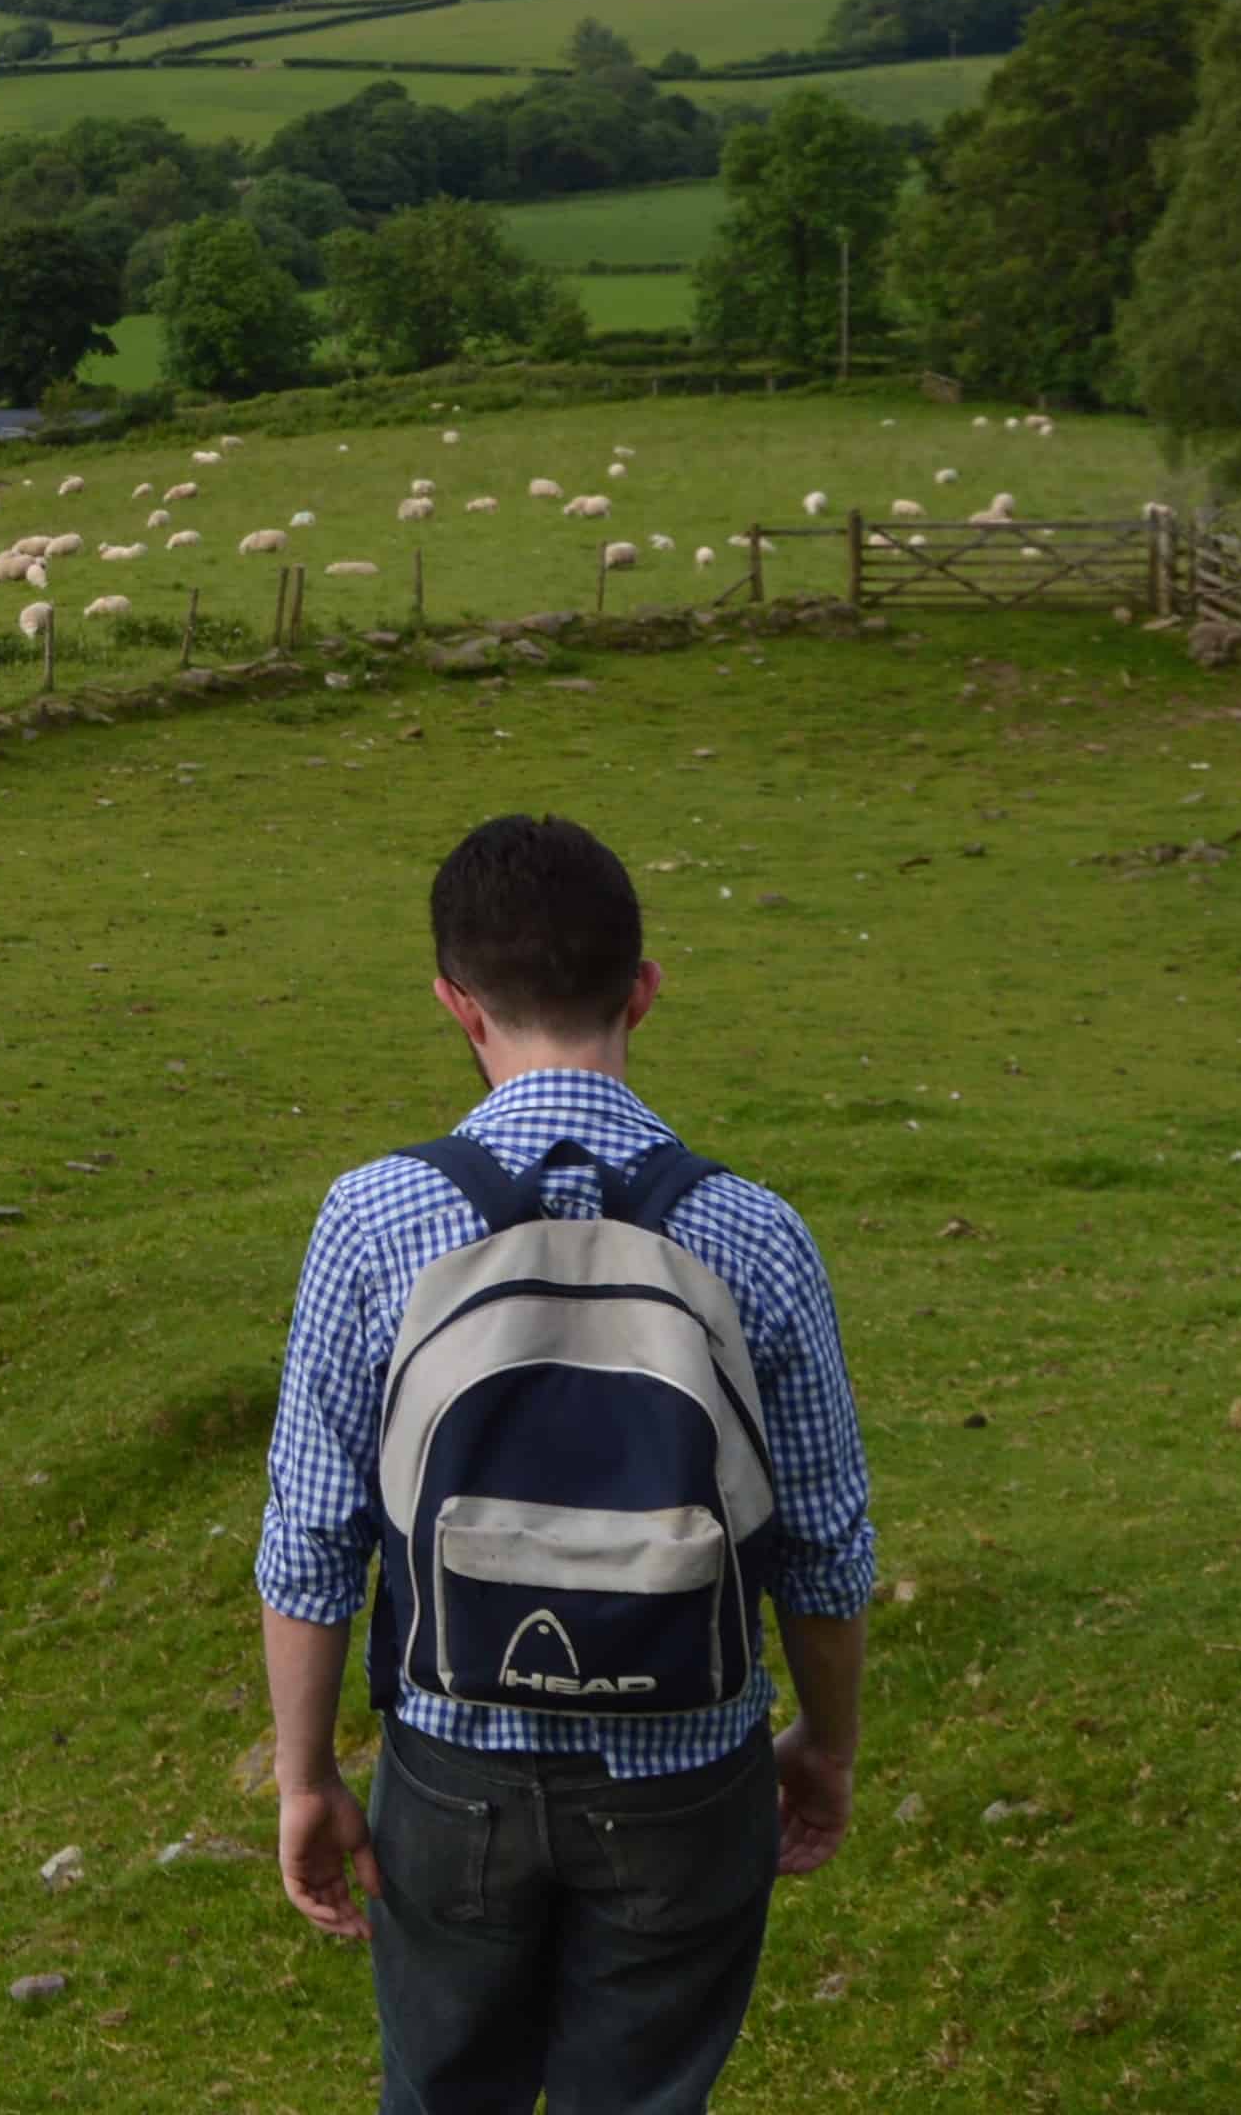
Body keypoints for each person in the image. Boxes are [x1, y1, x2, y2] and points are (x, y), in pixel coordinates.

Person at [254, 812, 876, 2114]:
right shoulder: (754, 1234)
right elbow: (823, 1542)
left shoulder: (369, 1219)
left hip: (450, 1766)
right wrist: (823, 1741)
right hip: (688, 1772)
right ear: (642, 989)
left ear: (454, 1002)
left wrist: (308, 1778)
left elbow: (314, 1537)